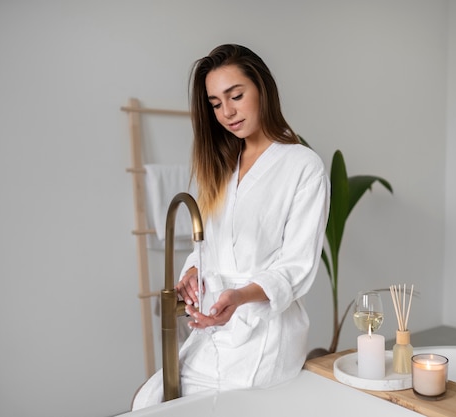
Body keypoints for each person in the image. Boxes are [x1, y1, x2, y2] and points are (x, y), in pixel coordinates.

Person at [132, 44, 330, 410]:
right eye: (215, 103)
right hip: (213, 325)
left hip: (264, 334)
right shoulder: (223, 164)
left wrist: (239, 296)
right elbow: (208, 243)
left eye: (235, 96)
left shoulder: (303, 166)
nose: (227, 112)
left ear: (263, 89)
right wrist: (194, 270)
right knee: (150, 399)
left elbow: (297, 267)